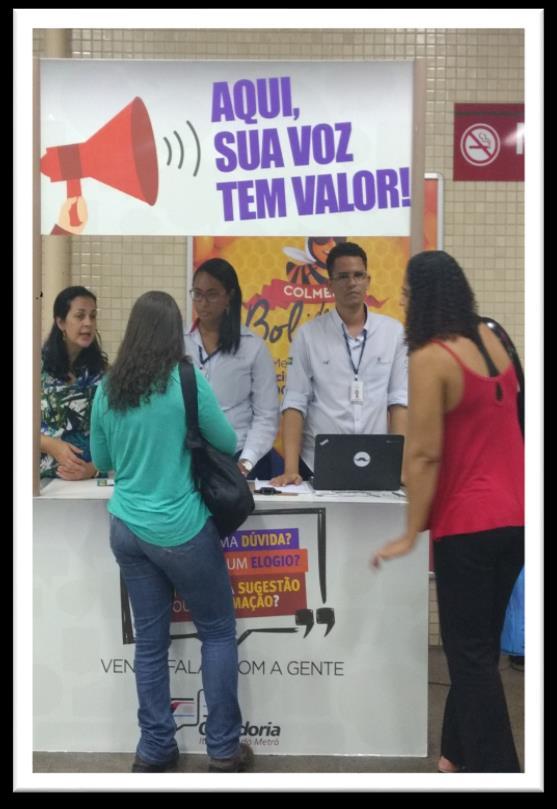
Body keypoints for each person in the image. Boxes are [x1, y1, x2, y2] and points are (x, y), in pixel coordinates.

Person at [372, 250, 524, 773]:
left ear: (426, 299)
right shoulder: (496, 336)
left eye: (409, 294)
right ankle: (454, 755)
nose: (404, 302)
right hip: (517, 520)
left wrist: (410, 530)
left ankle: (501, 772)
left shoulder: (431, 358)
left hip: (469, 526)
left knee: (472, 658)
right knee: (477, 645)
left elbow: (422, 453)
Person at [90, 291, 253, 774]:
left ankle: (156, 747)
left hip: (127, 530)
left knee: (150, 643)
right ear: (173, 331)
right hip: (180, 527)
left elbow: (103, 462)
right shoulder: (186, 380)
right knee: (219, 632)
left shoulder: (109, 387)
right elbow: (226, 441)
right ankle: (223, 749)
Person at [271, 241, 408, 485]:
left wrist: (399, 465)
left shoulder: (394, 333)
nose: (352, 283)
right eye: (343, 276)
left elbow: (398, 402)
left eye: (358, 275)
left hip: (377, 462)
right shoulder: (308, 335)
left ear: (368, 280)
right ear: (330, 284)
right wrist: (291, 469)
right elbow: (294, 403)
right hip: (318, 464)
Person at [184, 258, 279, 480]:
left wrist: (246, 463)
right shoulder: (180, 341)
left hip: (238, 455)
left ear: (230, 296)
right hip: (190, 456)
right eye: (197, 294)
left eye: (212, 294)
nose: (203, 302)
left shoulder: (252, 346)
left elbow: (266, 415)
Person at [40, 285, 108, 480]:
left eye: (93, 316)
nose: (88, 323)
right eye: (80, 316)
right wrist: (50, 444)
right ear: (61, 322)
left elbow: (115, 429)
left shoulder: (102, 372)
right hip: (43, 483)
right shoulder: (36, 368)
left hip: (91, 479)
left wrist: (93, 468)